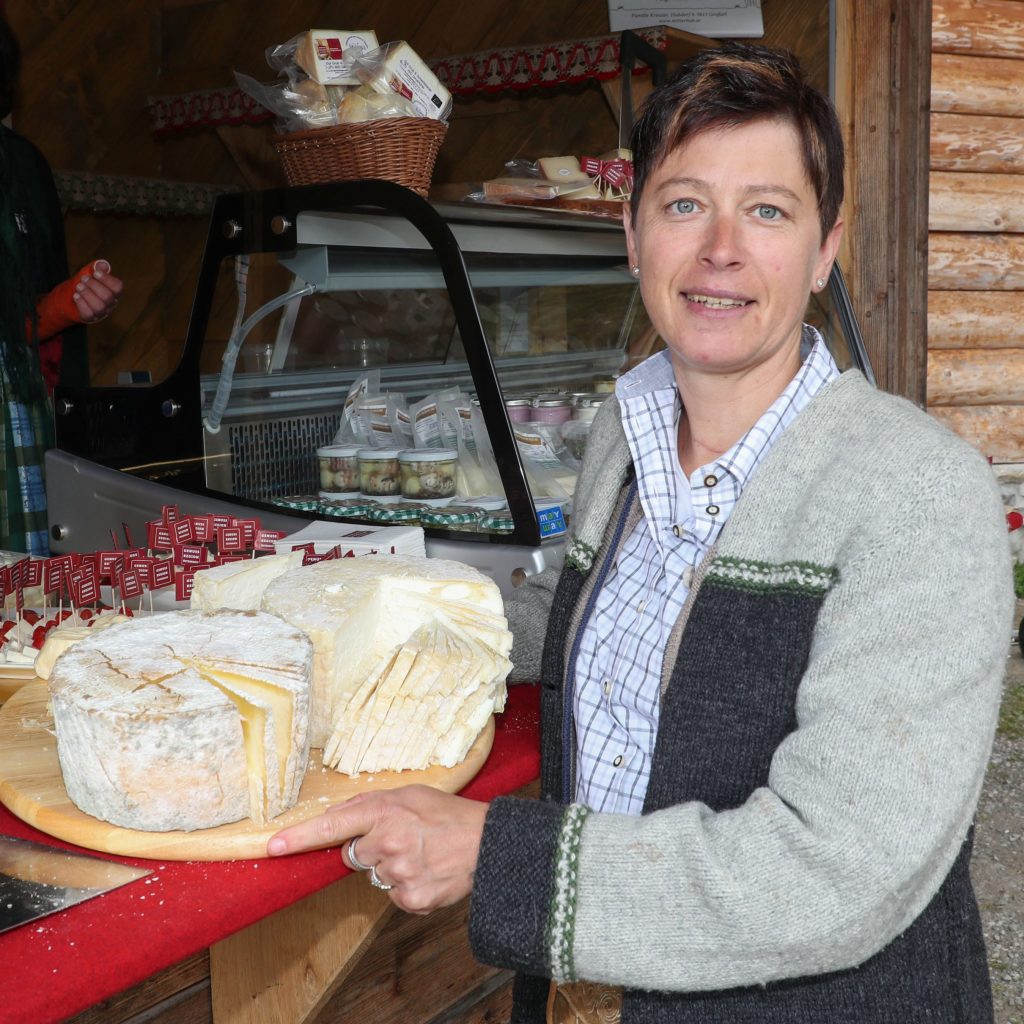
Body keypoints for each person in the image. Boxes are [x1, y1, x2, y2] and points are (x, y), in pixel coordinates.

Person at [267, 43, 1012, 1023]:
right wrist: (350, 611)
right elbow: (579, 609)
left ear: (825, 249)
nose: (720, 249)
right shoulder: (625, 431)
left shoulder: (917, 490)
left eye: (768, 211)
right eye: (684, 203)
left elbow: (836, 864)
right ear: (632, 234)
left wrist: (496, 856)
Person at [0, 12, 122, 554]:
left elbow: (27, 319)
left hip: (17, 413)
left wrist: (73, 301)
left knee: (25, 585)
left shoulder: (23, 166)